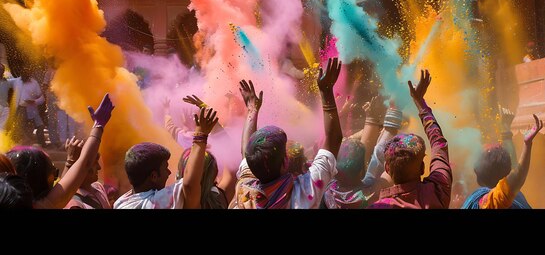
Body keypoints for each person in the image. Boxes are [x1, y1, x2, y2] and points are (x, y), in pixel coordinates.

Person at [230, 58, 343, 209]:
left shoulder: (244, 192)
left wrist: (251, 110)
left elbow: (246, 155)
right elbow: (334, 139)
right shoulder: (304, 193)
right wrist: (326, 91)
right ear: (285, 163)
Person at [7, 93, 114, 208]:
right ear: (40, 180)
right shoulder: (43, 205)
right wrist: (98, 125)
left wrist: (70, 160)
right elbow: (84, 164)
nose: (57, 180)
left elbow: (79, 169)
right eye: (54, 173)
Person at [369, 70, 453, 209]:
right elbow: (439, 143)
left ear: (386, 169)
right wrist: (420, 102)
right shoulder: (438, 190)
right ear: (422, 168)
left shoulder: (378, 206)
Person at [114, 105, 219, 209]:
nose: (169, 173)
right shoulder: (153, 204)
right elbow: (189, 186)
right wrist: (200, 135)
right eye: (165, 168)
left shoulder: (121, 202)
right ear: (154, 176)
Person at [462, 109, 543, 209]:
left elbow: (517, 174)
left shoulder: (493, 200)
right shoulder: (504, 197)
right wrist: (526, 143)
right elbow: (516, 174)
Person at [63, 137, 110, 209]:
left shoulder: (98, 187)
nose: (99, 167)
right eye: (94, 163)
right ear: (80, 167)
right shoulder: (73, 203)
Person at [11, 71, 46, 146]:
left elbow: (42, 98)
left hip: (32, 108)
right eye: (23, 75)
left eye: (26, 75)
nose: (24, 76)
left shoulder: (34, 83)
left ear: (29, 74)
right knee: (21, 127)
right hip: (21, 109)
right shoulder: (16, 81)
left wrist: (34, 101)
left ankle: (41, 143)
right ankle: (23, 144)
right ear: (21, 74)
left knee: (40, 125)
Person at [0, 64, 17, 131]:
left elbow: (18, 81)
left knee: (2, 129)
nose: (0, 71)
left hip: (5, 108)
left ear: (3, 71)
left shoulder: (8, 82)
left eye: (1, 69)